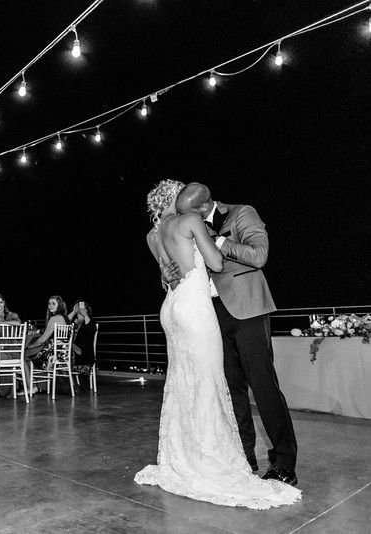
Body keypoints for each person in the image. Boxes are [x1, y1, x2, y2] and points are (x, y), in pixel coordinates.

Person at [134, 179, 300, 508]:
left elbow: (259, 255)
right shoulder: (185, 222)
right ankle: (244, 460)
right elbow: (180, 265)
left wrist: (220, 241)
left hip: (247, 312)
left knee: (263, 386)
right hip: (208, 315)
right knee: (231, 391)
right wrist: (166, 275)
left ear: (197, 205)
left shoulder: (242, 213)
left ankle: (283, 465)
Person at [23, 295, 69, 393]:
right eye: (49, 303)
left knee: (23, 356)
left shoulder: (54, 318)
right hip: (64, 354)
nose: (50, 306)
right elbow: (48, 332)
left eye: (53, 303)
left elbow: (43, 339)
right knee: (28, 354)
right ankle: (35, 384)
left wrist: (29, 346)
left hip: (54, 356)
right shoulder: (63, 317)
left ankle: (31, 386)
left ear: (59, 305)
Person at [69, 300, 96, 380]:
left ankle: (70, 387)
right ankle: (72, 386)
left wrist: (85, 314)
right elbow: (61, 325)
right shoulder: (74, 324)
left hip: (83, 361)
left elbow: (91, 330)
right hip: (71, 357)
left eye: (82, 308)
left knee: (56, 365)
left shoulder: (90, 323)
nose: (80, 310)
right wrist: (73, 312)